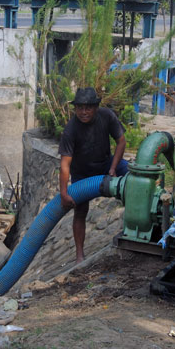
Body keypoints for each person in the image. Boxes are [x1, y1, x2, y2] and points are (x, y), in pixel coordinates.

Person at [58, 87, 129, 263]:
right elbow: (65, 164)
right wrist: (64, 193)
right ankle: (80, 255)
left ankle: (133, 229)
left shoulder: (107, 116)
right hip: (82, 171)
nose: (84, 112)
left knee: (132, 179)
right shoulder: (71, 130)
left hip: (106, 163)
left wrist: (113, 169)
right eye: (80, 108)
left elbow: (121, 141)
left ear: (96, 107)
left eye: (88, 107)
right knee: (80, 210)